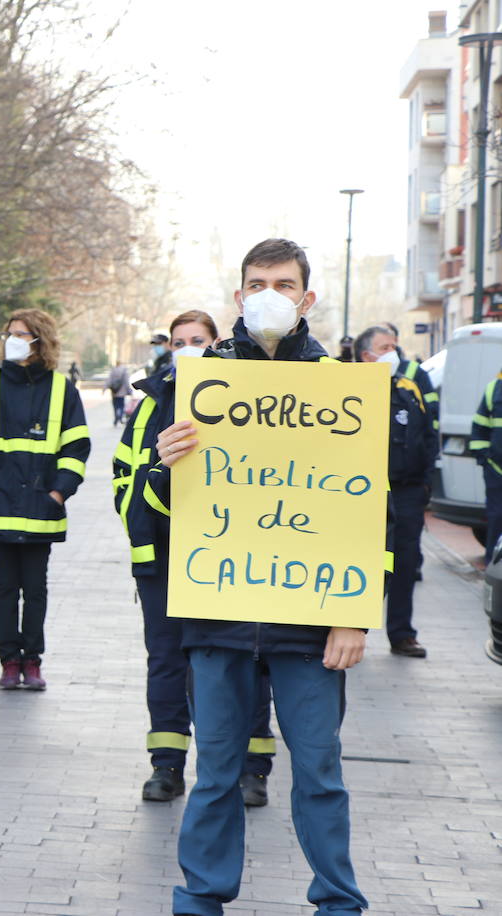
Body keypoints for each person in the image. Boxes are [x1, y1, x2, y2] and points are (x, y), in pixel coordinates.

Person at [148, 239, 369, 916]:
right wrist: (164, 465)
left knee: (321, 774)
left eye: (283, 282)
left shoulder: (341, 390)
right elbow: (149, 513)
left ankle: (337, 901)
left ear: (307, 298)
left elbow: (368, 510)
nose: (268, 293)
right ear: (238, 297)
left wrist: (354, 614)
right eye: (256, 283)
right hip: (218, 620)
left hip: (310, 623)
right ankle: (201, 899)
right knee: (214, 774)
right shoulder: (194, 385)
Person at [112, 310, 277, 805]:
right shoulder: (149, 406)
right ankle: (166, 766)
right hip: (162, 560)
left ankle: (253, 770)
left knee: (247, 660)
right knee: (165, 663)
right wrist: (148, 521)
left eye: (197, 340)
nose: (186, 348)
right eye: (178, 341)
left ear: (215, 343)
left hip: (227, 562)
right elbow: (125, 478)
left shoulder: (240, 400)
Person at [0, 309, 89, 691]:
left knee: (35, 589)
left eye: (21, 334)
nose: (11, 339)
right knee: (4, 589)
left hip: (40, 510)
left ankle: (32, 660)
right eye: (9, 333)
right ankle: (8, 662)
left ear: (39, 341)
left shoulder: (62, 389)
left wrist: (58, 492)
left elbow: (76, 447)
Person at [355, 326, 434, 659]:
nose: (394, 353)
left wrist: (424, 484)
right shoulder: (349, 389)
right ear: (366, 356)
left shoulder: (408, 389)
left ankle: (402, 634)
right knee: (358, 561)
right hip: (361, 493)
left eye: (394, 346)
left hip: (405, 492)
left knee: (404, 563)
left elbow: (428, 436)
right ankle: (349, 627)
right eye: (385, 347)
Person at [471, 371, 502, 563]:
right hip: (496, 471)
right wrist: (485, 460)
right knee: (497, 520)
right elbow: (479, 427)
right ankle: (493, 568)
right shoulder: (494, 388)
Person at [105, 362, 131, 426]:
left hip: (114, 392)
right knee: (121, 406)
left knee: (115, 406)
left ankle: (116, 417)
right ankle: (120, 417)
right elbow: (126, 381)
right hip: (122, 393)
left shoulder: (113, 370)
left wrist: (104, 388)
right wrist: (129, 390)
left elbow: (109, 380)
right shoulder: (124, 371)